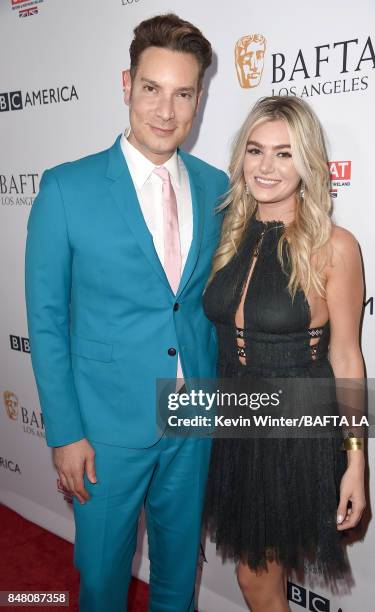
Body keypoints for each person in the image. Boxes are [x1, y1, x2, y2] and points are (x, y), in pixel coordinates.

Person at [25, 13, 228, 612]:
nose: (166, 111)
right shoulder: (66, 189)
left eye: (183, 93)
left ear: (198, 99)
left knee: (176, 574)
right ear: (126, 84)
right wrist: (65, 433)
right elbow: (45, 321)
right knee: (103, 579)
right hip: (105, 432)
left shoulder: (218, 187)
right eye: (151, 88)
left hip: (192, 421)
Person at [203, 96, 366, 611]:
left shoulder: (334, 246)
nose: (266, 167)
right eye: (255, 151)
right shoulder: (229, 235)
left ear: (309, 164)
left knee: (256, 580)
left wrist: (356, 461)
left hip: (295, 428)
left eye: (284, 153)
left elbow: (346, 358)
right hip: (233, 422)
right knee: (254, 578)